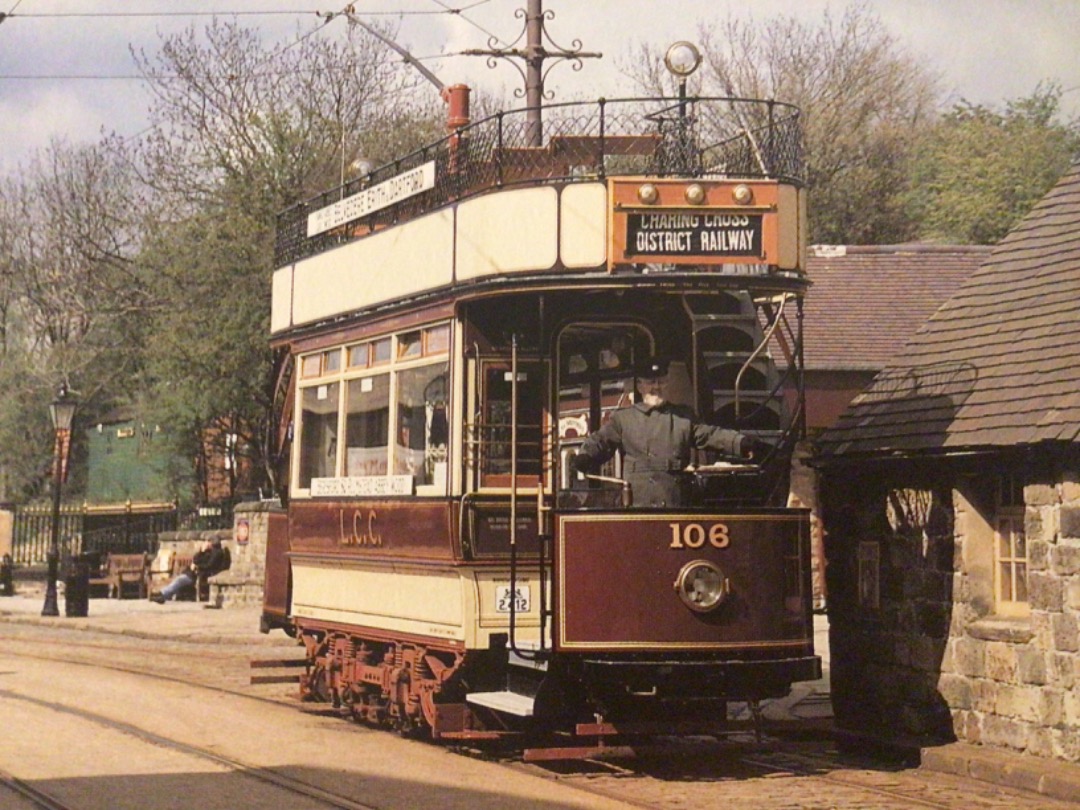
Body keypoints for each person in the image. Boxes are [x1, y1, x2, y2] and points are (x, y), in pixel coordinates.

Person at [571, 356, 768, 507]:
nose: (656, 387)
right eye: (650, 382)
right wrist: (585, 457)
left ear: (666, 383)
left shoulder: (683, 417)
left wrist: (740, 443)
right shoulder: (623, 419)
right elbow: (600, 440)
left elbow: (710, 435)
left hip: (676, 505)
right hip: (638, 508)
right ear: (640, 385)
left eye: (660, 381)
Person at [150, 538, 230, 603]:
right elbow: (195, 559)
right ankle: (163, 595)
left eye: (208, 542)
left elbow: (209, 565)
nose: (206, 544)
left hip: (198, 574)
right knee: (179, 580)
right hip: (192, 573)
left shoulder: (216, 553)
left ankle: (162, 595)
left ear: (211, 543)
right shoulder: (207, 552)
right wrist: (201, 551)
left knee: (180, 580)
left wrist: (197, 567)